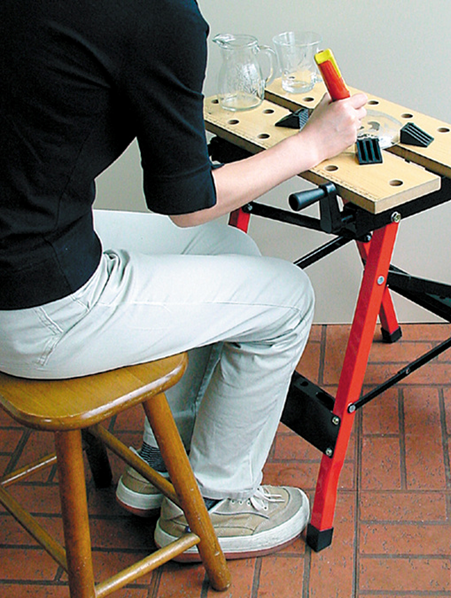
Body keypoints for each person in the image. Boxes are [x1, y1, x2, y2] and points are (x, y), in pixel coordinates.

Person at [0, 0, 367, 560]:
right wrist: (312, 144)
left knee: (229, 251)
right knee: (290, 297)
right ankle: (217, 503)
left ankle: (160, 463)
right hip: (36, 305)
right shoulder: (160, 16)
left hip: (32, 245)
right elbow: (187, 203)